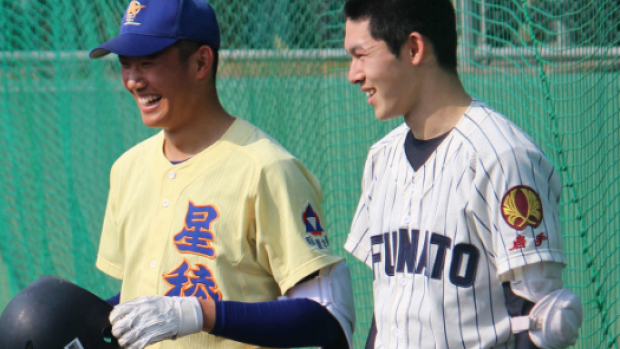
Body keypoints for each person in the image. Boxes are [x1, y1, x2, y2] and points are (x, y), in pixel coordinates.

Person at [89, 1, 355, 349]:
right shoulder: (127, 168)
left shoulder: (266, 167)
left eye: (148, 62)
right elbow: (144, 290)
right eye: (125, 64)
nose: (134, 80)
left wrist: (199, 313)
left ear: (201, 62)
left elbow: (325, 316)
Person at [341, 0, 583, 348]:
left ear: (413, 48)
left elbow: (541, 322)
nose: (353, 74)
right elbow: (387, 316)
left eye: (361, 55)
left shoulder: (503, 157)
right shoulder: (381, 159)